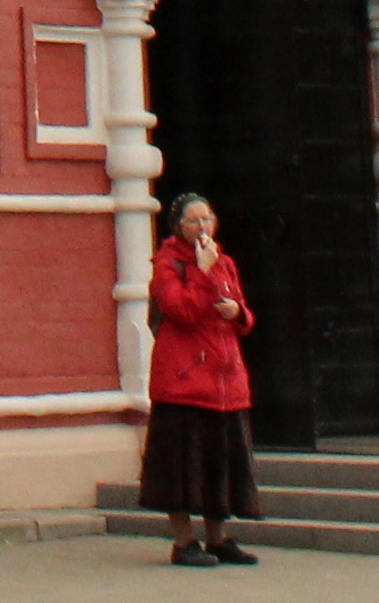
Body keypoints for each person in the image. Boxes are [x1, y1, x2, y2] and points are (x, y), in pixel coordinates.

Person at [142, 193, 261, 567]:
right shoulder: (168, 265)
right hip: (185, 385)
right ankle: (184, 542)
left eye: (208, 219)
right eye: (194, 221)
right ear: (179, 227)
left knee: (219, 466)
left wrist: (238, 312)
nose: (203, 227)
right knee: (182, 469)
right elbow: (182, 311)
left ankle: (218, 538)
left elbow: (244, 314)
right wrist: (203, 272)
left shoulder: (224, 262)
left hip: (226, 384)